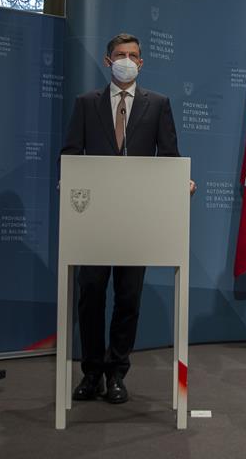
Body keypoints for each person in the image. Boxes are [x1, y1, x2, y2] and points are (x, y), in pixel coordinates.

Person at [60, 32, 195, 404]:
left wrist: (180, 183)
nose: (127, 61)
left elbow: (169, 157)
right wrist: (66, 182)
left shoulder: (158, 104)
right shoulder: (86, 103)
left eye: (133, 55)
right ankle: (91, 373)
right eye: (120, 54)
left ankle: (117, 373)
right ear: (108, 61)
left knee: (128, 297)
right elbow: (70, 154)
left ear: (141, 62)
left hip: (138, 218)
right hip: (94, 220)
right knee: (90, 295)